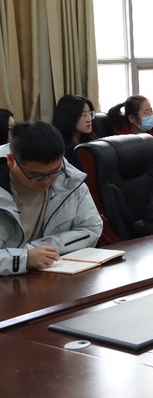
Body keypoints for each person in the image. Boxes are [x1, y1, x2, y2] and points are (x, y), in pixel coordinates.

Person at [0, 121, 102, 275]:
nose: (47, 181)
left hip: (54, 273)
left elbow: (91, 228)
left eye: (54, 172)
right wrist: (23, 259)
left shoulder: (69, 179)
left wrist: (37, 250)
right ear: (11, 161)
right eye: (36, 175)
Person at [52, 95, 98, 172]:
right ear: (69, 117)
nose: (89, 119)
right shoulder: (61, 150)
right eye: (84, 115)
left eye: (90, 113)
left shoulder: (92, 143)